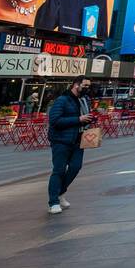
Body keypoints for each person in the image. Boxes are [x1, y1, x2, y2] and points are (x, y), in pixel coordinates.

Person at [47, 77, 93, 215]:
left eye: (88, 86)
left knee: (75, 167)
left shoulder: (84, 100)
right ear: (76, 85)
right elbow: (54, 120)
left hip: (79, 140)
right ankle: (53, 202)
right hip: (61, 140)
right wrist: (78, 119)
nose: (87, 88)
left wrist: (88, 120)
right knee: (59, 170)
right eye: (85, 85)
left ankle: (60, 192)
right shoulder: (63, 100)